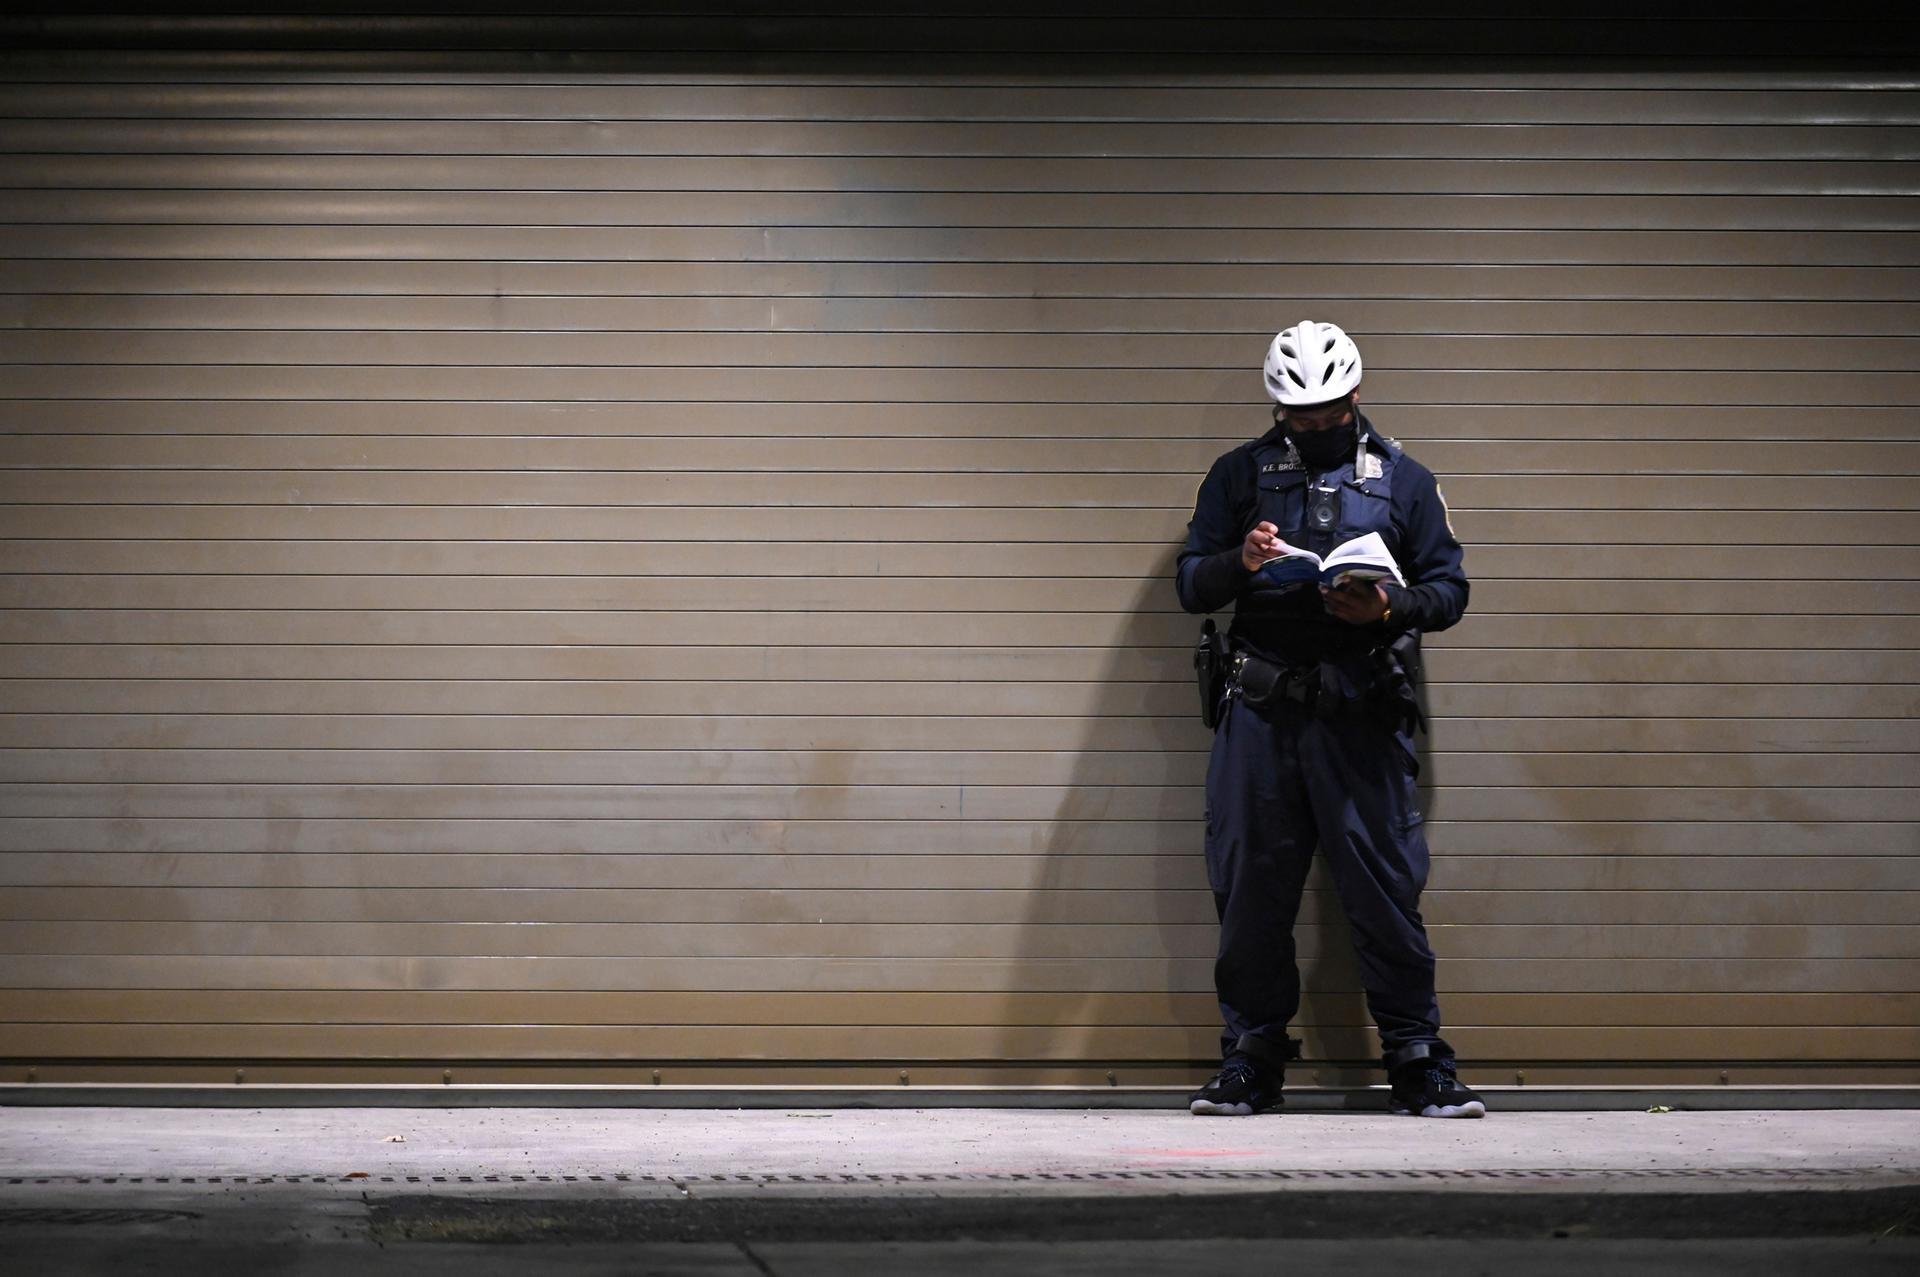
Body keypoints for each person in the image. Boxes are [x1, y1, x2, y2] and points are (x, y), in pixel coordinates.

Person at [1175, 319, 1486, 1118]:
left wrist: (1387, 606)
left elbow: (1449, 591)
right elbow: (1191, 584)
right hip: (1260, 713)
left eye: (1328, 413)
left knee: (1384, 889)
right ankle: (1252, 1054)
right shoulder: (1237, 475)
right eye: (1297, 417)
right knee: (1250, 888)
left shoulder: (1406, 480)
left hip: (1361, 711)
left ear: (1355, 395)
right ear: (1278, 409)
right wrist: (1238, 562)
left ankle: (1417, 1057)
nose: (1314, 428)